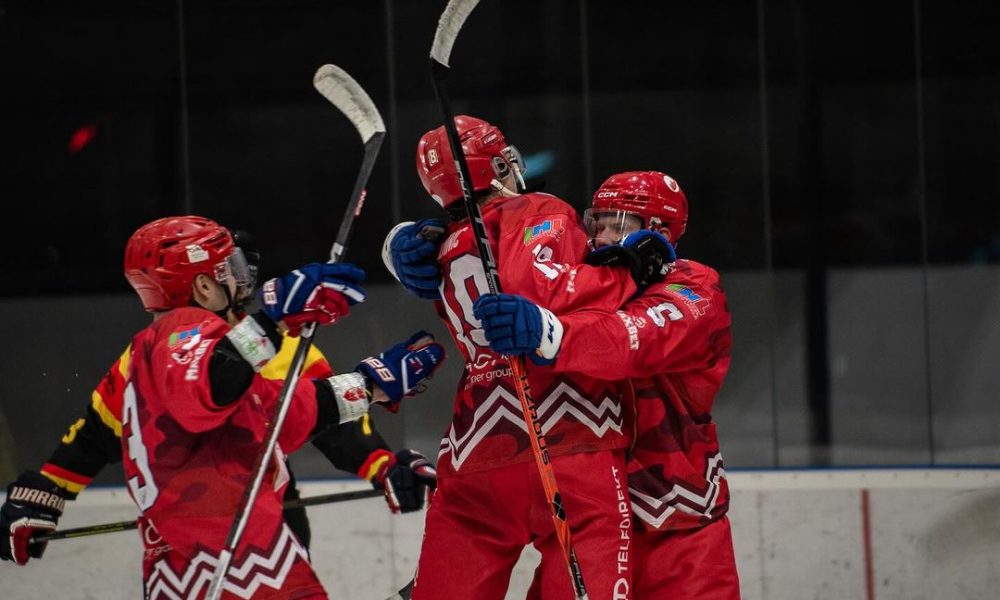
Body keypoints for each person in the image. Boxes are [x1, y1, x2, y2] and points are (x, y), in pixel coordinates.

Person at [2, 216, 445, 599]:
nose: (240, 279)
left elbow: (285, 417)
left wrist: (374, 402)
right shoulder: (179, 339)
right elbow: (104, 431)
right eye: (228, 268)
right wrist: (45, 492)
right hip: (228, 546)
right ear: (202, 284)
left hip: (234, 538)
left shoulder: (154, 355)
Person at [382, 117, 673, 600]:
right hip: (568, 434)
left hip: (476, 445)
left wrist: (393, 244)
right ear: (496, 165)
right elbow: (539, 290)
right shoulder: (539, 208)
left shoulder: (440, 249)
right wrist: (627, 273)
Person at [475, 171, 740, 599]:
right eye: (594, 222)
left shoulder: (694, 287)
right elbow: (508, 262)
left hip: (677, 524)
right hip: (585, 522)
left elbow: (629, 341)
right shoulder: (588, 281)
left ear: (658, 232)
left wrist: (550, 332)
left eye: (617, 224)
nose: (598, 237)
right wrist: (431, 244)